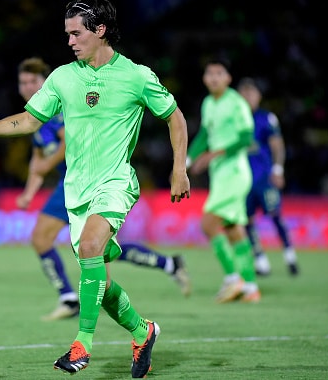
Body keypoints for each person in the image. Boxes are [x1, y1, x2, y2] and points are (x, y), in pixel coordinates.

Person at [0, 0, 191, 378]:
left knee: (94, 247)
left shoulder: (137, 76)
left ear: (99, 30)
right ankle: (142, 331)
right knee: (102, 282)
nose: (69, 41)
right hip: (75, 189)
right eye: (66, 34)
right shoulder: (63, 77)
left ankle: (82, 344)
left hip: (115, 182)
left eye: (76, 33)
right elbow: (29, 121)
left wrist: (180, 168)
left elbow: (174, 116)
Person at [15, 57, 191, 321]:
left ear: (45, 81)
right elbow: (37, 158)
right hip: (70, 185)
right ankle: (165, 266)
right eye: (23, 82)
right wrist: (30, 190)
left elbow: (61, 148)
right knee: (87, 249)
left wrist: (45, 167)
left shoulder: (60, 109)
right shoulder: (38, 115)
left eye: (33, 81)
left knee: (92, 251)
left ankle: (81, 307)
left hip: (92, 183)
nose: (28, 87)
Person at [187, 56, 260, 303]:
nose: (214, 78)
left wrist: (213, 154)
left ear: (228, 78)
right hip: (221, 175)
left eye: (219, 73)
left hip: (235, 172)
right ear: (205, 78)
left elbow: (245, 138)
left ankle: (233, 279)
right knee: (233, 229)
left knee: (208, 224)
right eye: (210, 73)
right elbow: (205, 134)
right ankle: (250, 287)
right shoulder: (208, 103)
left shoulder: (236, 103)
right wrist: (187, 161)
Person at [237, 77, 299, 276]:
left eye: (251, 92)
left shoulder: (266, 118)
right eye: (243, 92)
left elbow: (277, 146)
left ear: (259, 96)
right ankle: (261, 261)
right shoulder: (234, 119)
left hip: (264, 178)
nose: (247, 96)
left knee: (275, 215)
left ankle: (289, 255)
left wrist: (278, 170)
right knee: (246, 220)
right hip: (242, 180)